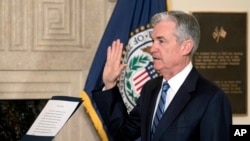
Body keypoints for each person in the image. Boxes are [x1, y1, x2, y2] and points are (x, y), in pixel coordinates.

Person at [92, 10, 232, 141]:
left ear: (186, 47)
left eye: (161, 41)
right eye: (153, 41)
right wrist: (109, 84)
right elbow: (123, 134)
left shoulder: (211, 97)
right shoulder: (150, 88)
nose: (152, 48)